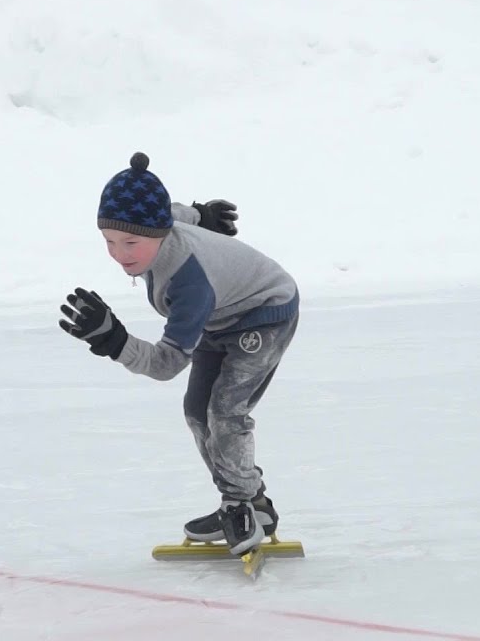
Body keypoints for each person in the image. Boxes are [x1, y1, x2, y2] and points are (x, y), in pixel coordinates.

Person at [58, 152, 299, 556]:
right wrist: (202, 214)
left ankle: (240, 505)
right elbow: (174, 213)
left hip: (264, 315)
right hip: (220, 319)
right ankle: (249, 502)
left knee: (224, 412)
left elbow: (168, 363)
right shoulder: (160, 223)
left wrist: (115, 341)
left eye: (130, 242)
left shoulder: (190, 284)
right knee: (195, 411)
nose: (120, 254)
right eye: (109, 242)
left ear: (158, 233)